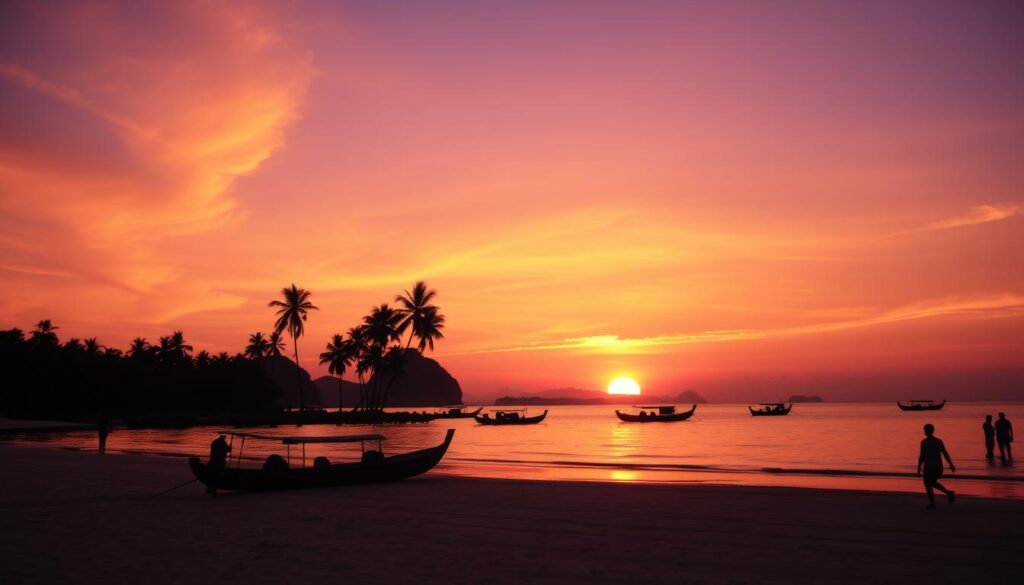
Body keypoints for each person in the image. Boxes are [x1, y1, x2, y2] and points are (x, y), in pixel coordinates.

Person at [918, 423, 955, 509]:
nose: (924, 431)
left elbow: (922, 456)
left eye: (925, 430)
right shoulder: (938, 441)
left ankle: (945, 495)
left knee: (928, 484)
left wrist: (919, 467)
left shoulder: (924, 442)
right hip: (938, 468)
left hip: (929, 467)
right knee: (931, 483)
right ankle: (945, 495)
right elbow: (945, 453)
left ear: (926, 431)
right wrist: (951, 464)